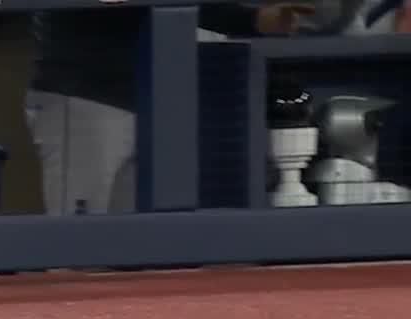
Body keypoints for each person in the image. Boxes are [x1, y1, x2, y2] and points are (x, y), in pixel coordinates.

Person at [26, 3, 313, 215]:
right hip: (82, 97)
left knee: (124, 248)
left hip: (144, 103)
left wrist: (256, 19)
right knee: (78, 239)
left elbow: (189, 7)